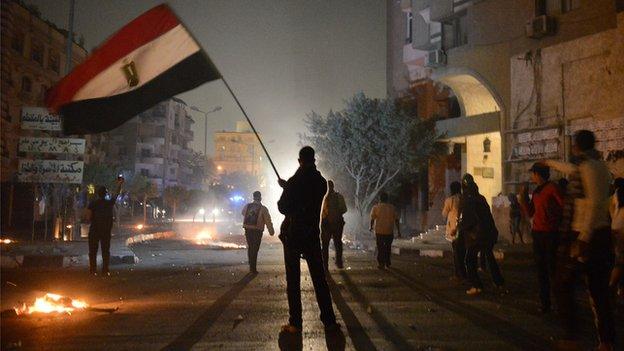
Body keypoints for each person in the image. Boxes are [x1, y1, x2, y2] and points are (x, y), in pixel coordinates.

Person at [544, 130, 615, 350]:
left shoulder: (590, 167)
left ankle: (574, 337)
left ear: (577, 146)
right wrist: (548, 162)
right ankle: (604, 340)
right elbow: (569, 169)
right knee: (596, 288)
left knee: (563, 282)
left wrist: (583, 238)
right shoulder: (592, 165)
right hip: (595, 233)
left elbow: (594, 203)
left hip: (586, 234)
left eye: (573, 145)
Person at [277, 146, 339, 334]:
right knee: (319, 279)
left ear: (299, 161)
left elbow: (283, 207)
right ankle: (329, 321)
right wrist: (289, 186)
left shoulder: (295, 181)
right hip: (312, 234)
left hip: (294, 234)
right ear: (314, 159)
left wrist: (288, 187)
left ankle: (295, 322)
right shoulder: (320, 182)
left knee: (293, 279)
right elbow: (307, 196)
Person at [519, 163, 563, 314]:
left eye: (533, 174)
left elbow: (563, 206)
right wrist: (523, 198)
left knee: (553, 269)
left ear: (538, 174)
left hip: (551, 233)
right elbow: (530, 212)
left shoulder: (552, 188)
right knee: (541, 270)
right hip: (538, 233)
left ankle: (560, 303)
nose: (531, 176)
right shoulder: (537, 191)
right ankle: (545, 303)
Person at [458, 174, 505, 295]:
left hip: (476, 236)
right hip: (488, 233)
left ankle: (476, 285)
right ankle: (498, 282)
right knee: (490, 257)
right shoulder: (481, 198)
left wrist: (460, 228)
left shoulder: (467, 200)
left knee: (469, 260)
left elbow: (468, 220)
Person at [84, 178, 123, 276]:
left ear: (98, 194)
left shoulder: (93, 204)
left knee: (92, 251)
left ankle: (93, 270)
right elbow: (116, 194)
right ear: (106, 194)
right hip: (105, 231)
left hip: (94, 230)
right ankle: (105, 271)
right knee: (105, 251)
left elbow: (88, 217)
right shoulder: (109, 203)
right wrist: (120, 184)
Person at [241, 191, 275, 274]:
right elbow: (268, 220)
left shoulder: (247, 206)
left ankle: (251, 266)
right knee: (255, 248)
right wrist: (271, 231)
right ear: (260, 197)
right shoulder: (263, 208)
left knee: (250, 247)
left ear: (253, 197)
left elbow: (243, 213)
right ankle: (253, 268)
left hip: (248, 229)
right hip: (257, 230)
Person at [321, 180, 347, 271]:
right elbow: (344, 209)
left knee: (325, 245)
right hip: (337, 224)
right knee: (338, 243)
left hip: (326, 224)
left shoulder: (322, 198)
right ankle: (339, 262)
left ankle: (325, 265)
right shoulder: (339, 197)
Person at [370, 192, 401, 269]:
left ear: (380, 199)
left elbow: (372, 219)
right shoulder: (392, 208)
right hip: (389, 231)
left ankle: (381, 263)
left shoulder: (376, 207)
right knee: (388, 247)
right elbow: (396, 220)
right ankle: (387, 262)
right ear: (387, 199)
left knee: (380, 247)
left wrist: (371, 227)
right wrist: (399, 231)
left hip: (379, 231)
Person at [443, 181, 465, 279]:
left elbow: (444, 214)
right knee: (463, 252)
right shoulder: (464, 198)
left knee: (456, 252)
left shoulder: (450, 200)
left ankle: (458, 274)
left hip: (454, 230)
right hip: (464, 228)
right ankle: (463, 272)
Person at [609, 178, 624, 297]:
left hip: (617, 226)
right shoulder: (617, 193)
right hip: (621, 227)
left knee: (619, 259)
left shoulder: (616, 194)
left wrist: (614, 218)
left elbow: (610, 209)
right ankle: (614, 286)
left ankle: (615, 286)